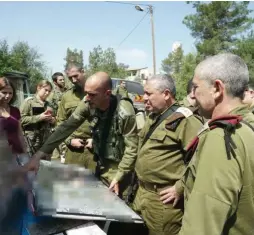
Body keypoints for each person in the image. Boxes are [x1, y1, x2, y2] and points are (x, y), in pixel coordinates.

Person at [178, 53, 254, 235]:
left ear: (217, 89)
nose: (192, 94)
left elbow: (201, 227)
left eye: (196, 87)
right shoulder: (247, 127)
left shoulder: (221, 137)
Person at [32, 72, 138, 198]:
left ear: (107, 94)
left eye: (92, 94)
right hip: (100, 164)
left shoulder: (124, 111)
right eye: (86, 92)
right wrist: (39, 155)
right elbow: (66, 127)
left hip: (120, 170)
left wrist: (119, 176)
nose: (87, 97)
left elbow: (132, 149)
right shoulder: (88, 102)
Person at [133, 74, 203, 235]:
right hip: (142, 194)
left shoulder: (186, 120)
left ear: (166, 94)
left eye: (149, 94)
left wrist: (180, 188)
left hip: (163, 201)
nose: (144, 98)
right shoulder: (153, 117)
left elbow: (201, 160)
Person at [0, 77, 32, 234]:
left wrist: (26, 154)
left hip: (18, 156)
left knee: (21, 192)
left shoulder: (15, 110)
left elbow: (19, 133)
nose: (7, 96)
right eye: (3, 92)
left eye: (10, 93)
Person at [56, 64, 94, 169]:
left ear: (83, 71)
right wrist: (69, 140)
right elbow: (60, 123)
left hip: (95, 150)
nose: (73, 80)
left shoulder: (97, 92)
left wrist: (96, 139)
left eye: (76, 76)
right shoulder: (66, 96)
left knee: (96, 184)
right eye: (70, 78)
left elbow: (109, 120)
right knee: (73, 183)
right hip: (74, 151)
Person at [20, 80, 54, 157]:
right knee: (31, 164)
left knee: (45, 165)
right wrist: (39, 117)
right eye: (45, 90)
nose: (47, 93)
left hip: (45, 140)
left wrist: (52, 120)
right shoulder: (29, 102)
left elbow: (54, 120)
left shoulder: (49, 104)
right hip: (32, 141)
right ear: (38, 88)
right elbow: (21, 119)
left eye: (49, 91)